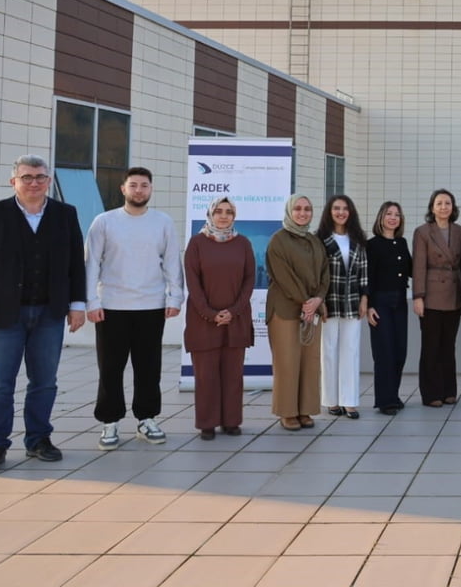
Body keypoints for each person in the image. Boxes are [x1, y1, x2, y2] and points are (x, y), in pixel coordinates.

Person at [0, 155, 86, 475]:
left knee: (45, 382)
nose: (34, 182)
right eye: (27, 177)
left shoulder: (65, 214)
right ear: (14, 182)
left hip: (50, 313)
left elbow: (77, 262)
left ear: (49, 180)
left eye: (40, 177)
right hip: (4, 314)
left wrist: (77, 305)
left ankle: (38, 439)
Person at [86, 167, 184, 449]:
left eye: (144, 185)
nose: (138, 190)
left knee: (149, 366)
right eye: (133, 185)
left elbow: (172, 262)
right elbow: (91, 264)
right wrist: (91, 301)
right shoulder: (104, 222)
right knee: (110, 368)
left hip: (151, 306)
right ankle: (110, 422)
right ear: (123, 189)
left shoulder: (162, 222)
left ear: (151, 189)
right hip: (111, 307)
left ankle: (147, 418)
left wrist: (175, 297)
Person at [183, 196, 255, 439]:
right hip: (203, 321)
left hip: (236, 320)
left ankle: (231, 421)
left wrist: (232, 312)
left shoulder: (243, 243)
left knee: (233, 374)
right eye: (219, 211)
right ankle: (207, 422)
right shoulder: (196, 243)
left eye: (229, 212)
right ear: (210, 214)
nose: (224, 216)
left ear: (234, 216)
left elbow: (249, 280)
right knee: (206, 375)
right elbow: (193, 283)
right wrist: (211, 314)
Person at [266, 195, 330, 430]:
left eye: (307, 209)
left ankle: (305, 410)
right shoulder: (278, 241)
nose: (303, 213)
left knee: (309, 361)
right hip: (285, 310)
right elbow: (284, 277)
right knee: (287, 362)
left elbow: (325, 273)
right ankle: (287, 412)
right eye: (298, 209)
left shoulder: (314, 241)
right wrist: (307, 301)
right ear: (289, 211)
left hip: (310, 310)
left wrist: (318, 299)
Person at [412, 189, 461, 407]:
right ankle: (431, 393)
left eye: (447, 203)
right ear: (432, 208)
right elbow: (418, 267)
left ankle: (448, 390)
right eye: (439, 203)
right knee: (431, 346)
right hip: (431, 294)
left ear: (453, 207)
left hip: (454, 293)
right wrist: (418, 296)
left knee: (448, 345)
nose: (444, 207)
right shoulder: (423, 232)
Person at [317, 195, 369, 419]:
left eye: (345, 208)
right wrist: (319, 302)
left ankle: (349, 401)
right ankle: (331, 401)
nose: (341, 212)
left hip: (353, 302)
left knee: (351, 350)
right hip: (329, 302)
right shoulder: (320, 239)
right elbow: (316, 273)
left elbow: (364, 271)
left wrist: (365, 298)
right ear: (329, 212)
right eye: (336, 208)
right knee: (328, 351)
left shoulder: (358, 238)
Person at [365, 201, 412, 415]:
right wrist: (369, 306)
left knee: (399, 350)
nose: (393, 218)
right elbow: (369, 278)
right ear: (381, 218)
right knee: (384, 352)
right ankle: (385, 400)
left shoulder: (402, 243)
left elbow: (411, 269)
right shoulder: (372, 245)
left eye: (397, 214)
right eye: (389, 214)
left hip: (400, 303)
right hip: (380, 304)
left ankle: (393, 394)